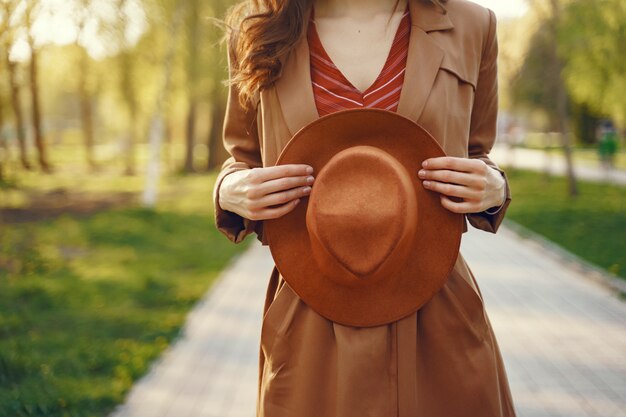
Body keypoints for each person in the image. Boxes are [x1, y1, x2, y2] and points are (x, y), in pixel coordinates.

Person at [213, 0, 517, 416]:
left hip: (437, 313)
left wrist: (495, 187)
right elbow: (242, 158)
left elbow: (478, 152)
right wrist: (228, 190)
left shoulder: (472, 25)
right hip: (308, 314)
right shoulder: (257, 26)